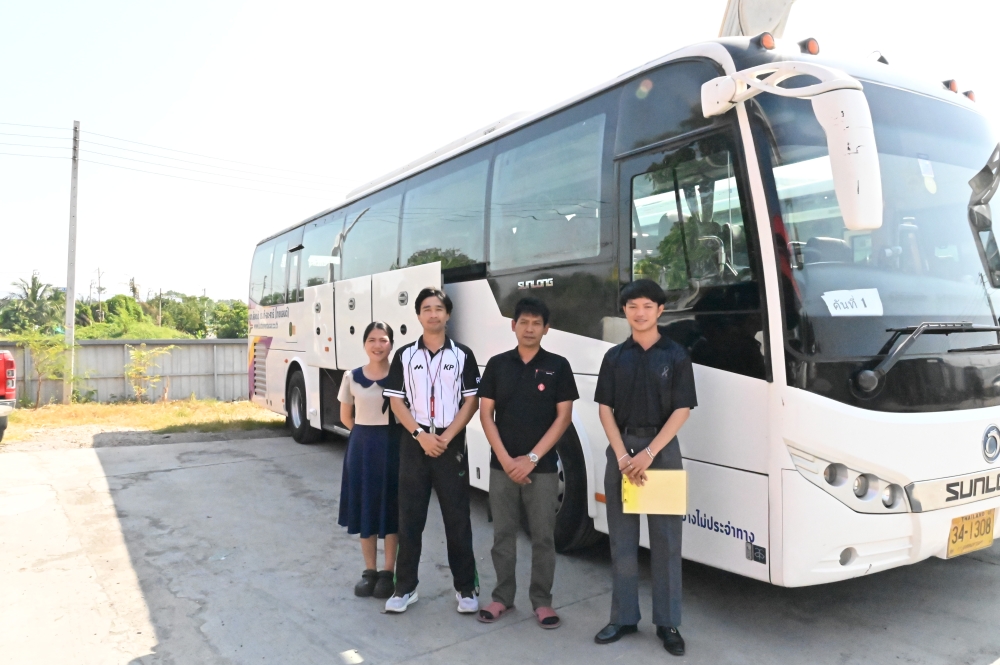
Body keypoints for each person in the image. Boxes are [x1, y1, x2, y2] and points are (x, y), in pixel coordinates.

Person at [593, 279, 697, 657]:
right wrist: (623, 456)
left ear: (660, 311)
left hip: (662, 451)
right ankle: (623, 617)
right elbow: (604, 408)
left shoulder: (676, 355)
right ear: (624, 311)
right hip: (622, 449)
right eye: (632, 306)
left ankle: (667, 623)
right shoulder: (614, 357)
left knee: (667, 542)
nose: (639, 312)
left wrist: (649, 453)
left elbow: (682, 409)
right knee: (621, 538)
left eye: (647, 306)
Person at [476, 297, 578, 629]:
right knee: (502, 534)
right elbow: (485, 415)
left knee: (543, 537)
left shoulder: (559, 366)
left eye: (537, 323)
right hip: (501, 467)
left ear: (546, 329)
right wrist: (506, 460)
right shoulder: (497, 364)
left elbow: (563, 419)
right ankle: (502, 597)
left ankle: (542, 602)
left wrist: (531, 459)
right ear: (513, 325)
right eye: (524, 322)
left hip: (543, 469)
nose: (530, 328)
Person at [382, 287, 481, 614]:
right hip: (414, 445)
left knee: (458, 520)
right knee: (409, 519)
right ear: (419, 315)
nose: (433, 314)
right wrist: (420, 434)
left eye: (439, 308)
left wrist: (447, 436)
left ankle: (466, 588)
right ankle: (405, 588)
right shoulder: (405, 356)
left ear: (448, 314)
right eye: (427, 308)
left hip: (451, 446)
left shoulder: (463, 355)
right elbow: (396, 401)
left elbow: (471, 401)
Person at [338, 321, 399, 599]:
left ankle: (388, 572)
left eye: (384, 340)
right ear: (364, 344)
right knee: (365, 509)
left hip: (393, 446)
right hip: (362, 447)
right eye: (372, 339)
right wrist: (364, 436)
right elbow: (345, 417)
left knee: (390, 509)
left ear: (391, 344)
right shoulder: (351, 376)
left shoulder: (400, 376)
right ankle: (369, 571)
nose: (378, 345)